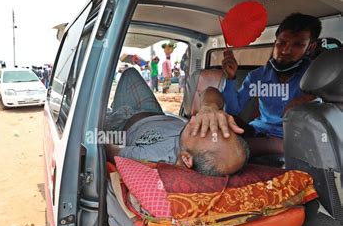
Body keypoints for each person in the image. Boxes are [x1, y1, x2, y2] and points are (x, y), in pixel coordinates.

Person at [105, 68, 248, 177]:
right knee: (130, 72)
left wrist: (99, 127)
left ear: (186, 159)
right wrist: (209, 107)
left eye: (200, 130)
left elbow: (109, 148)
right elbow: (210, 91)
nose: (195, 119)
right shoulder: (214, 149)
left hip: (122, 120)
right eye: (212, 124)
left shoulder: (152, 158)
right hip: (153, 110)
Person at [218, 13, 322, 155]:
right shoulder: (257, 76)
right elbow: (233, 110)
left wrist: (310, 99)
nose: (285, 50)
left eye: (297, 44)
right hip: (259, 131)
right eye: (282, 43)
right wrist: (231, 77)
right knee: (224, 122)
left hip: (295, 138)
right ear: (275, 42)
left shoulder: (318, 75)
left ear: (310, 47)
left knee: (233, 151)